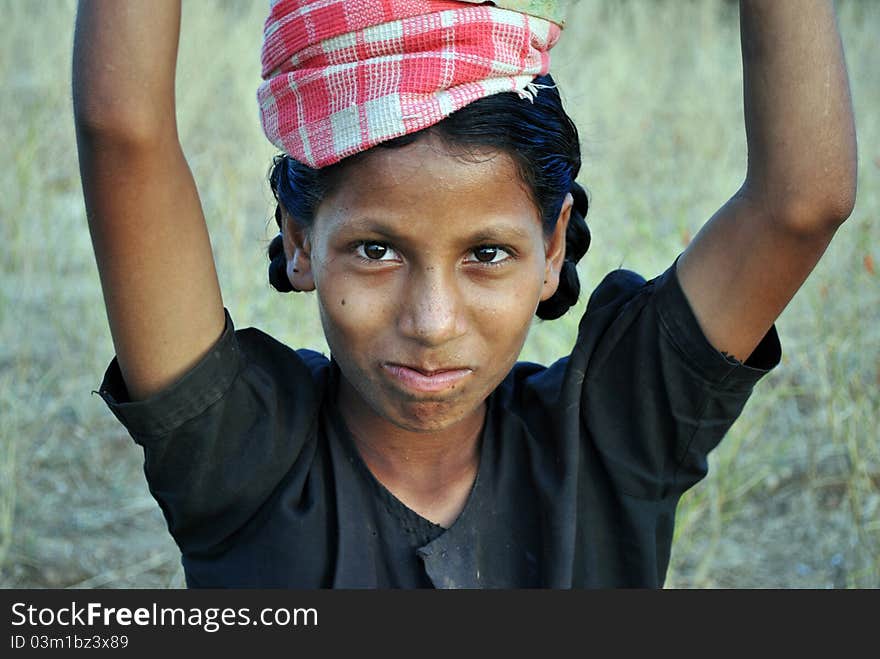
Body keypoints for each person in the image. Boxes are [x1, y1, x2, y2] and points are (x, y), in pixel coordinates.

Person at [73, 0, 857, 588]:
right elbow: (122, 128)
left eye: (488, 253)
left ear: (552, 247)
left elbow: (801, 201)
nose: (433, 322)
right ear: (299, 239)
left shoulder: (612, 437)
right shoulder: (239, 454)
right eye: (375, 250)